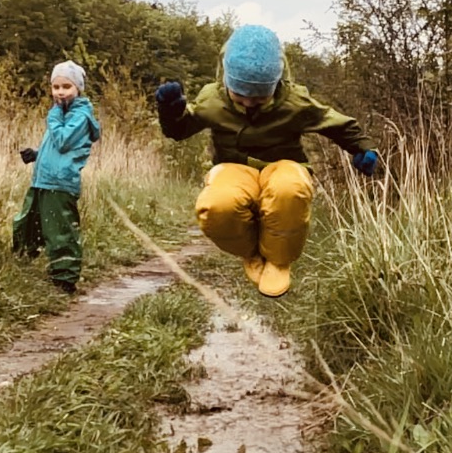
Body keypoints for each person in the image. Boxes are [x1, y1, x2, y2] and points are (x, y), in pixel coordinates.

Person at [155, 24, 380, 298]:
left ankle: (278, 259)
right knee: (217, 206)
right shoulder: (211, 99)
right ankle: (251, 252)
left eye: (259, 97)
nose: (249, 103)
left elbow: (337, 124)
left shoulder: (295, 102)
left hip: (283, 164)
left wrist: (362, 148)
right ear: (226, 79)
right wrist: (170, 112)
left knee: (289, 189)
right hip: (234, 167)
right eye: (241, 95)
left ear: (276, 83)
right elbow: (178, 131)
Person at [13, 60, 101, 292]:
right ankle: (23, 267)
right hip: (43, 179)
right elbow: (56, 146)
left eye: (66, 87)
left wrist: (53, 116)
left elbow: (63, 141)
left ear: (78, 89)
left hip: (60, 183)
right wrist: (37, 154)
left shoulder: (79, 116)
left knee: (61, 232)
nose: (60, 92)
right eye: (56, 87)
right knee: (27, 225)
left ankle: (65, 279)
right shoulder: (63, 113)